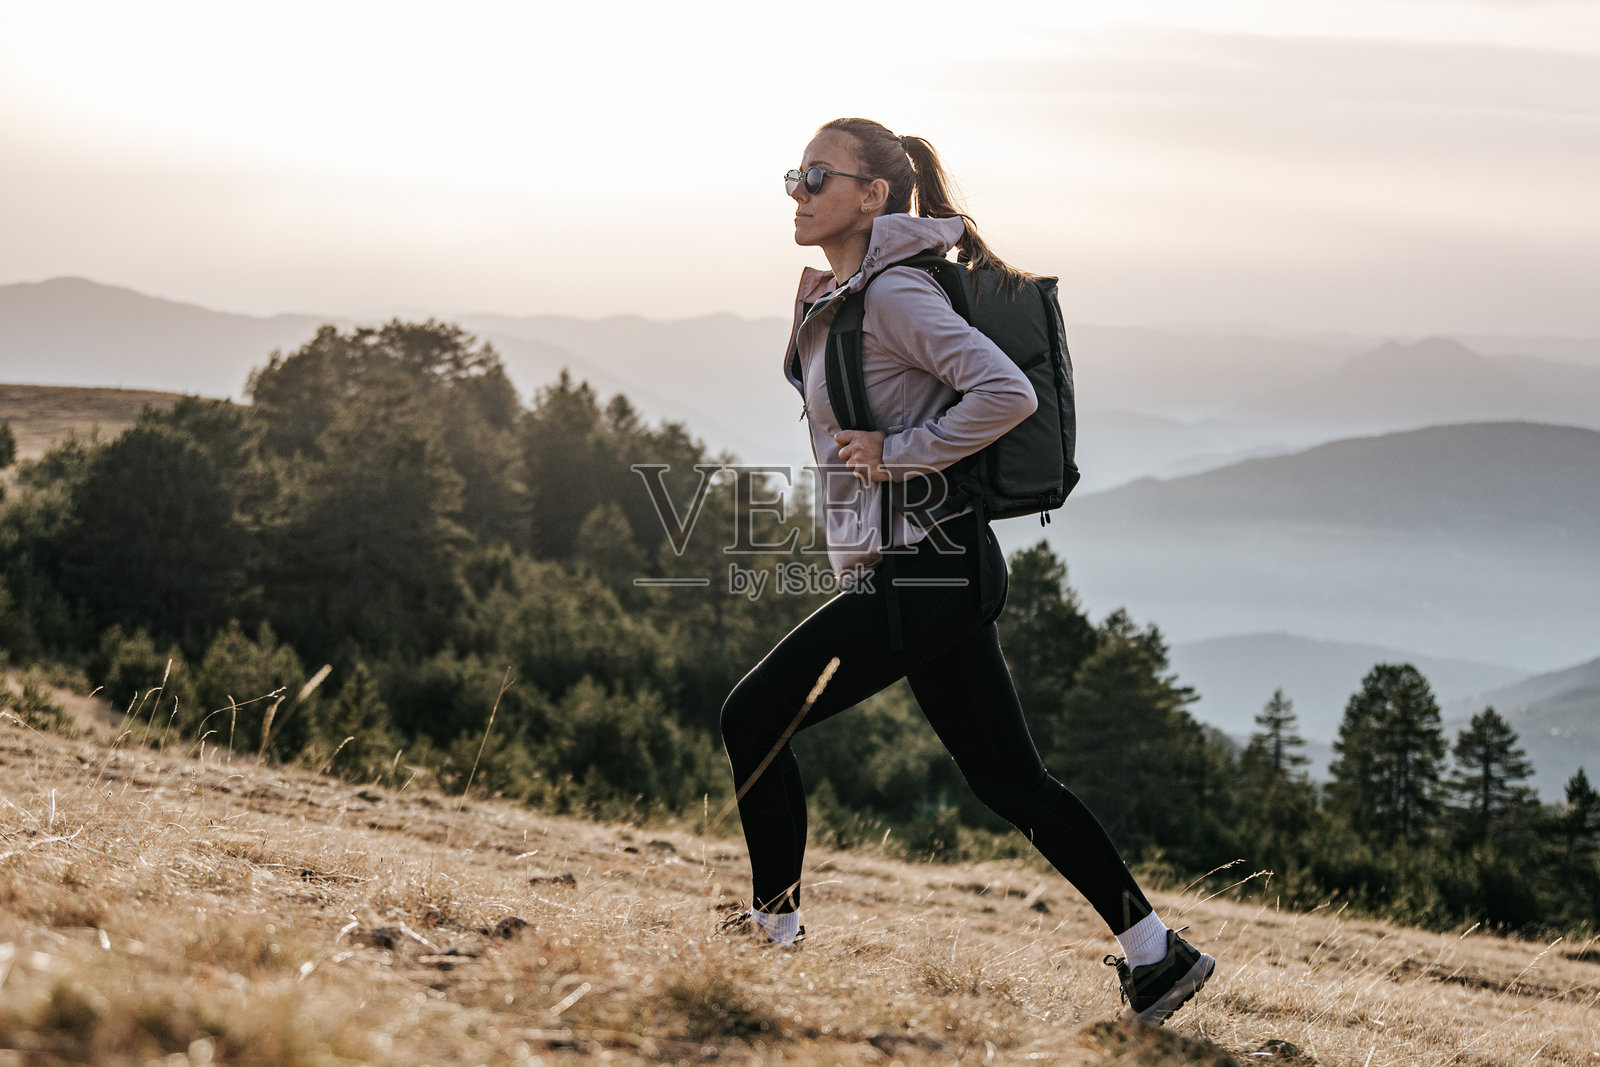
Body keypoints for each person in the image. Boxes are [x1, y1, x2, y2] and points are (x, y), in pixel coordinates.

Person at [717, 117, 1215, 1026]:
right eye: (794, 174)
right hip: (931, 566)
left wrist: (902, 452)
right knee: (1010, 779)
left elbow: (1007, 392)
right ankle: (1158, 954)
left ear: (873, 194)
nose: (798, 189)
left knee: (754, 714)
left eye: (818, 175)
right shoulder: (845, 293)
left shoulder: (897, 296)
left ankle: (774, 930)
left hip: (928, 566)